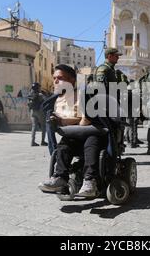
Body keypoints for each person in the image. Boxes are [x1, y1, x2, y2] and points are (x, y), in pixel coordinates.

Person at [39, 64, 103, 198]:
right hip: (73, 136)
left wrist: (75, 120)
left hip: (93, 134)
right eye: (54, 78)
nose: (56, 81)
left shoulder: (84, 94)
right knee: (64, 144)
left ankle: (90, 181)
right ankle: (60, 178)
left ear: (72, 80)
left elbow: (87, 120)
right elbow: (74, 120)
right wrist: (59, 121)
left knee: (91, 140)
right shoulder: (57, 100)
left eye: (60, 78)